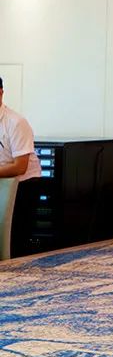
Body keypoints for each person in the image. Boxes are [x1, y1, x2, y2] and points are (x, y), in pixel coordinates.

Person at [0, 76, 42, 260]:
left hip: (24, 183)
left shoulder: (15, 122)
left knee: (15, 236)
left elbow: (20, 167)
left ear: (1, 93)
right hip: (3, 180)